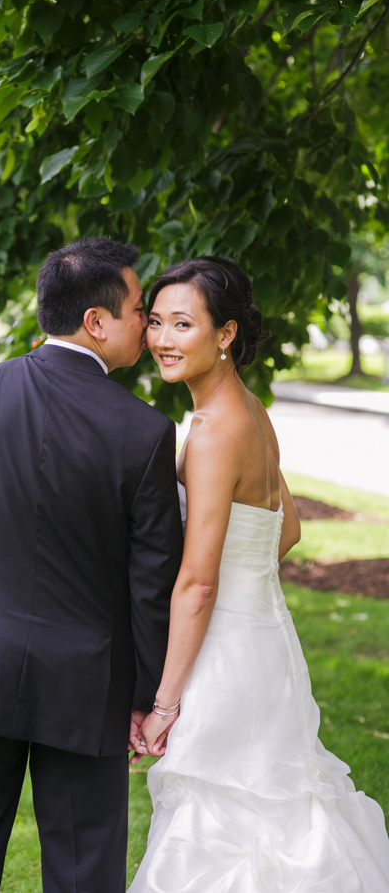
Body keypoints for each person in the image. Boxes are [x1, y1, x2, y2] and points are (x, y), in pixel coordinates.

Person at [0, 236, 184, 893]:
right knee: (84, 871)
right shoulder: (144, 432)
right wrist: (144, 696)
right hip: (90, 686)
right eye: (139, 307)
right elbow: (151, 579)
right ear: (96, 321)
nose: (147, 321)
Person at [130, 256, 389, 891]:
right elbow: (288, 528)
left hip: (225, 651)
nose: (163, 339)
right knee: (278, 810)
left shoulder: (217, 429)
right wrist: (247, 585)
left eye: (183, 324)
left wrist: (164, 704)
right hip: (266, 638)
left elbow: (198, 582)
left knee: (221, 823)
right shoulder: (248, 409)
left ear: (225, 335)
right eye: (156, 322)